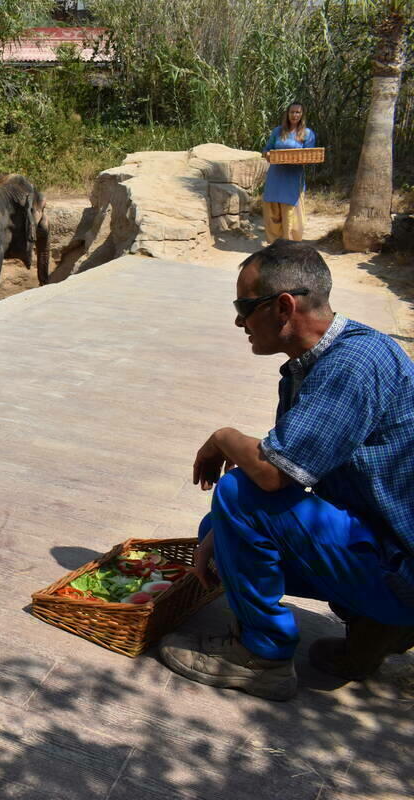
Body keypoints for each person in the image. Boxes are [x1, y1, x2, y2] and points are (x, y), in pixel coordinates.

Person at [159, 239, 414, 701]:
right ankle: (376, 628)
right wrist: (225, 536)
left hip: (402, 570)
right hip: (385, 547)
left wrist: (223, 437)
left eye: (244, 308)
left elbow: (272, 476)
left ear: (283, 307)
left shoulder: (353, 366)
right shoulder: (317, 364)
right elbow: (293, 472)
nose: (239, 322)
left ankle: (263, 657)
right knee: (218, 529)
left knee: (239, 492)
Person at [260, 103, 316, 243]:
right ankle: (275, 243)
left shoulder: (307, 134)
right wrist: (267, 154)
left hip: (293, 177)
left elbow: (310, 155)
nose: (294, 115)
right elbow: (267, 149)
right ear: (287, 113)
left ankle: (291, 243)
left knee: (292, 210)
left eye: (298, 112)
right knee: (273, 208)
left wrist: (299, 159)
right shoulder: (278, 131)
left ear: (302, 115)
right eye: (292, 112)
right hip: (276, 175)